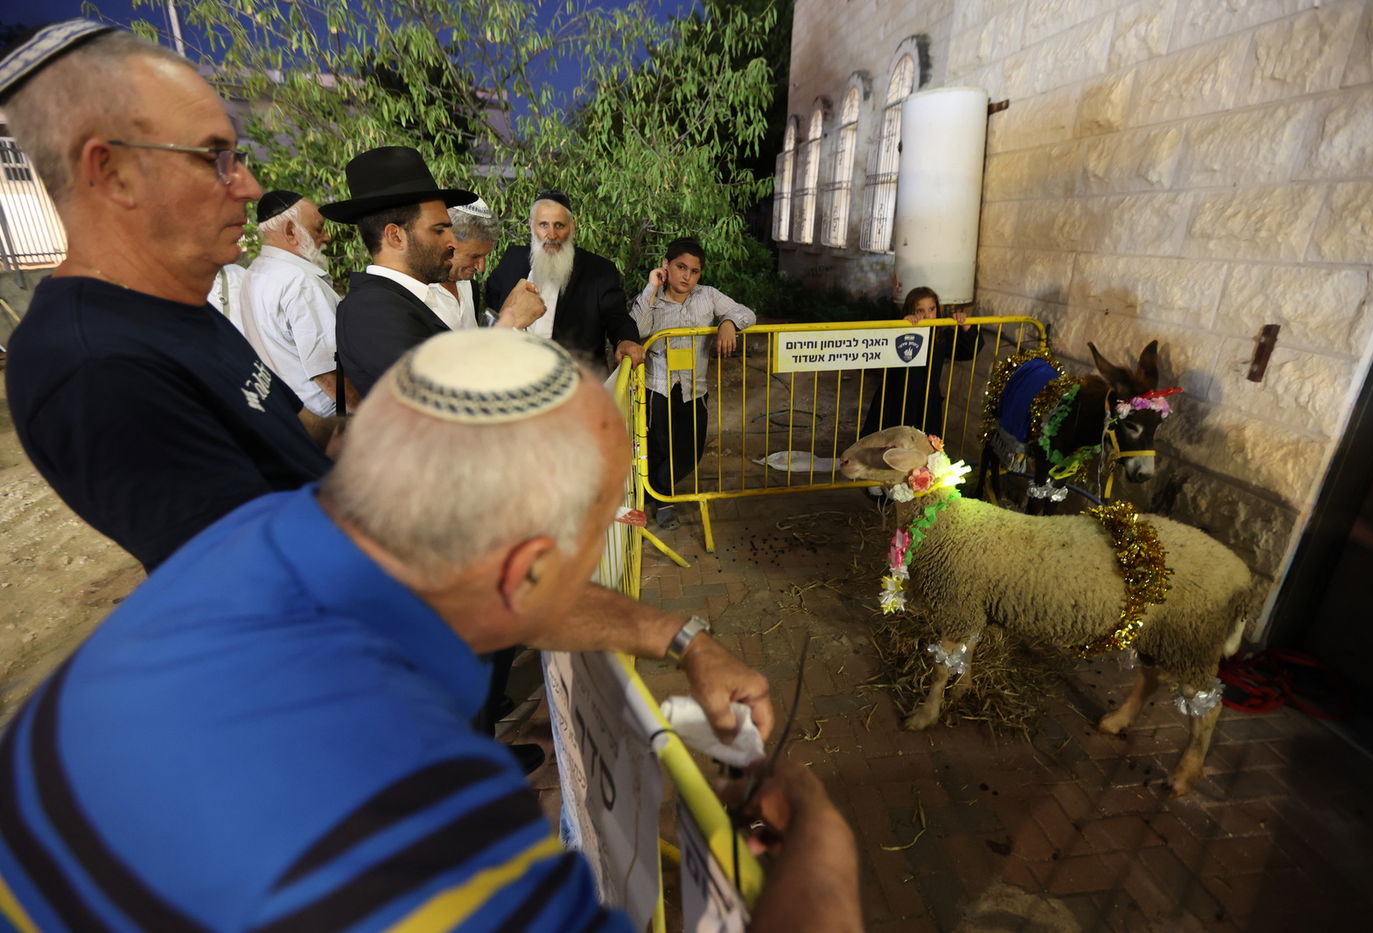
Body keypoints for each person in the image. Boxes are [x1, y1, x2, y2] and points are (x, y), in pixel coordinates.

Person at [0, 328, 862, 933]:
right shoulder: (406, 812)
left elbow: (492, 590)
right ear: (523, 568)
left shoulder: (257, 537)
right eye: (606, 527)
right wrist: (821, 845)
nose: (613, 542)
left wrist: (682, 637)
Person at [0, 21, 333, 572]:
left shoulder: (177, 306)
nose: (248, 187)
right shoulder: (95, 367)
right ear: (112, 173)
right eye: (213, 156)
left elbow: (293, 439)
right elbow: (256, 583)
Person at [329, 147, 543, 395]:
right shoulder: (369, 310)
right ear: (395, 236)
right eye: (439, 230)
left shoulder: (403, 299)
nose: (453, 242)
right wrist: (511, 321)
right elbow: (448, 392)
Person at [631, 237, 755, 531]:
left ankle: (654, 489)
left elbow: (746, 313)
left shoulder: (708, 296)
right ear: (666, 266)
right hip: (657, 389)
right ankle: (663, 502)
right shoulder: (653, 298)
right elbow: (635, 328)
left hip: (693, 391)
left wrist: (728, 323)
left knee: (690, 453)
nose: (687, 276)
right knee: (659, 447)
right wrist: (652, 286)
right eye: (680, 267)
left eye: (694, 271)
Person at [484, 190, 645, 370]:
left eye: (559, 225)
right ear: (531, 226)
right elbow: (492, 309)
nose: (551, 235)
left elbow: (617, 317)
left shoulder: (599, 270)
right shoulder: (511, 260)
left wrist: (626, 340)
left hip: (574, 383)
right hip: (516, 375)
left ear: (572, 226)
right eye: (543, 225)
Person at [239, 189, 352, 416]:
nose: (327, 237)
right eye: (318, 229)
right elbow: (328, 374)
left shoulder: (253, 274)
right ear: (291, 231)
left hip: (292, 417)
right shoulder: (300, 282)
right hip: (330, 422)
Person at [861, 286, 981, 441]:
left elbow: (968, 351)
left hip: (926, 404)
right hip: (896, 400)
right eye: (920, 311)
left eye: (931, 309)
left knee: (923, 448)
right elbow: (880, 354)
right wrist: (902, 329)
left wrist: (967, 327)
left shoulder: (941, 337)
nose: (927, 315)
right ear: (910, 311)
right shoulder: (898, 331)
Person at [427, 199, 501, 329]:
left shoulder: (469, 287)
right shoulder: (416, 292)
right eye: (475, 256)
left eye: (485, 256)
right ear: (448, 244)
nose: (481, 267)